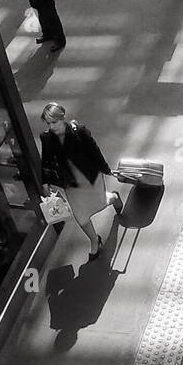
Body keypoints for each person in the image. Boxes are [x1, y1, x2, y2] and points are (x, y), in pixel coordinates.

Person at [39, 103, 121, 260]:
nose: (51, 127)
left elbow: (94, 151)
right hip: (70, 182)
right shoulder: (47, 138)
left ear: (62, 118)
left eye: (54, 122)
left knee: (100, 203)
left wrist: (106, 169)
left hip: (90, 177)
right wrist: (45, 182)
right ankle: (94, 240)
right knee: (80, 215)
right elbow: (46, 161)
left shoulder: (79, 131)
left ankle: (113, 198)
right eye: (48, 123)